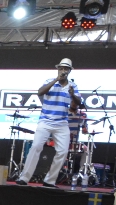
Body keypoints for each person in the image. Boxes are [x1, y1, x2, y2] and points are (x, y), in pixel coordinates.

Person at [17, 58, 80, 188]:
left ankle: (50, 180)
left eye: (66, 69)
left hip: (62, 123)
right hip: (45, 121)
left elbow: (78, 102)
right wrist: (56, 80)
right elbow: (40, 92)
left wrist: (73, 94)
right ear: (58, 69)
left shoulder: (73, 86)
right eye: (61, 68)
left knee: (63, 152)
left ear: (69, 71)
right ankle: (24, 178)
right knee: (36, 147)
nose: (63, 70)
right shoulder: (49, 81)